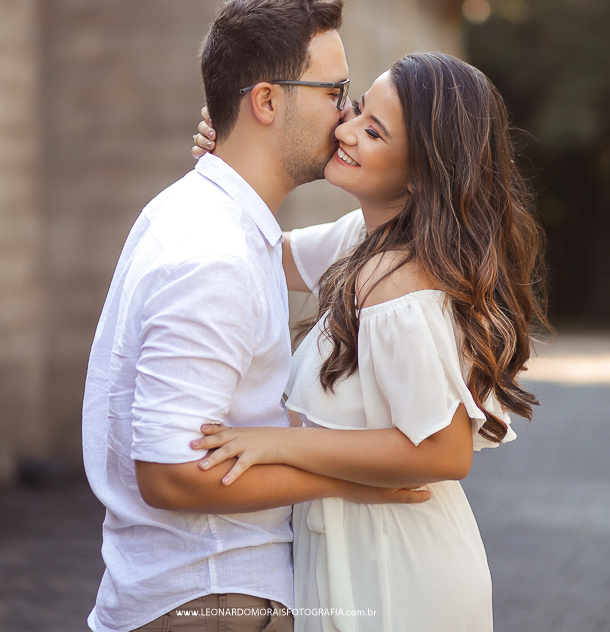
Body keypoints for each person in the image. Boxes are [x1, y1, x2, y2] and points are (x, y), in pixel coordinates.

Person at [82, 0, 429, 632]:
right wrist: (350, 482)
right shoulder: (213, 254)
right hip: (210, 601)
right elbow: (170, 476)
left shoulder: (214, 220)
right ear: (266, 101)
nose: (345, 116)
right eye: (334, 92)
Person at [192, 51, 549, 632]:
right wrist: (231, 162)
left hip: (396, 568)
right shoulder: (365, 238)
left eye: (374, 131)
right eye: (356, 110)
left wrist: (277, 443)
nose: (346, 131)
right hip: (354, 552)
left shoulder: (400, 285)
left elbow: (443, 453)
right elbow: (258, 253)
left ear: (420, 172)